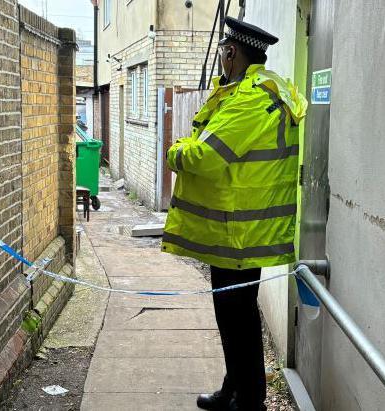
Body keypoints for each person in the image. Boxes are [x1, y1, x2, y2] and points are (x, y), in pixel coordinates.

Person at [162, 17, 307, 411]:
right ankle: (236, 389)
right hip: (242, 227)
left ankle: (249, 400)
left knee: (237, 316)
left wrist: (175, 152)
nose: (222, 59)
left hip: (239, 231)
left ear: (230, 52)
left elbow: (205, 156)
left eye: (223, 53)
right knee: (235, 315)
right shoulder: (258, 91)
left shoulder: (249, 99)